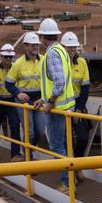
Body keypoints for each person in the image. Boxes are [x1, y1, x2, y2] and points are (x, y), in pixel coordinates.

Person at [35, 18, 75, 192]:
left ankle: (67, 183)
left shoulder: (52, 53)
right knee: (65, 145)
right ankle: (73, 176)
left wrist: (50, 102)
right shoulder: (62, 51)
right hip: (66, 107)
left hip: (58, 109)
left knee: (57, 146)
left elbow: (58, 82)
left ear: (43, 37)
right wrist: (43, 99)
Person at [5, 32, 46, 148]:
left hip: (39, 101)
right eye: (32, 45)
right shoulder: (18, 64)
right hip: (24, 103)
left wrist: (44, 98)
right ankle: (28, 156)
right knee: (30, 131)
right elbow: (8, 83)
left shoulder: (44, 61)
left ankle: (29, 149)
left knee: (40, 131)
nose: (35, 47)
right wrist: (18, 94)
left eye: (36, 45)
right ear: (25, 46)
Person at [61, 31, 90, 181]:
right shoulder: (60, 65)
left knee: (83, 137)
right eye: (69, 48)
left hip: (78, 106)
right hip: (63, 107)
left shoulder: (82, 63)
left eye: (74, 48)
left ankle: (77, 165)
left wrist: (79, 109)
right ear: (63, 48)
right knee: (66, 141)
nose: (72, 51)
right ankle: (70, 172)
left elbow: (85, 89)